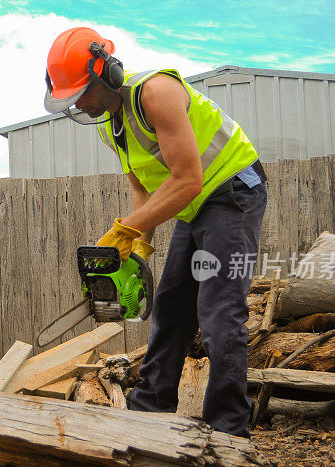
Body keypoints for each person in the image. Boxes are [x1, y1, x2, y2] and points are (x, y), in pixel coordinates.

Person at [44, 27, 267, 438]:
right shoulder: (108, 123)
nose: (79, 103)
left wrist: (129, 226)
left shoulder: (156, 92)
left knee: (219, 310)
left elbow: (187, 179)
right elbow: (141, 185)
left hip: (232, 189)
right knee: (170, 304)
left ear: (107, 74)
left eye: (83, 92)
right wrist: (139, 244)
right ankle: (151, 406)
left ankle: (230, 427)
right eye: (71, 97)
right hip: (194, 199)